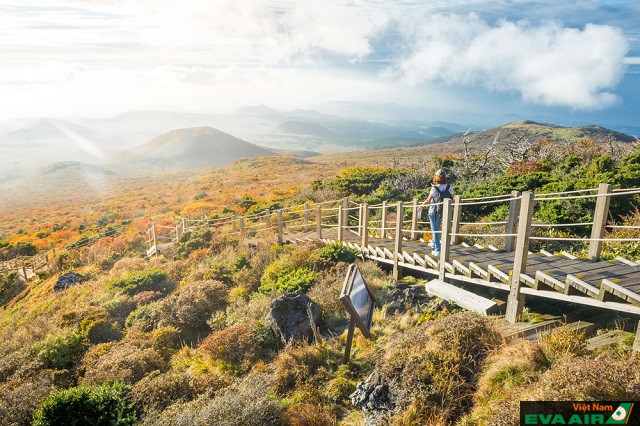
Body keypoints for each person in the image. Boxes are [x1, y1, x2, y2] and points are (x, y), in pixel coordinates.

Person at [418, 169, 453, 256]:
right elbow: (451, 198)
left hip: (434, 211)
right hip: (444, 211)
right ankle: (434, 243)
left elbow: (428, 200)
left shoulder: (435, 188)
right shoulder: (449, 187)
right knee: (437, 228)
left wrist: (421, 206)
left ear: (436, 177)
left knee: (435, 230)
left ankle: (438, 250)